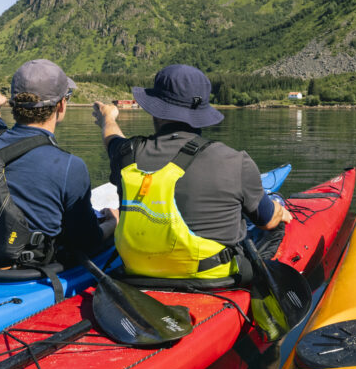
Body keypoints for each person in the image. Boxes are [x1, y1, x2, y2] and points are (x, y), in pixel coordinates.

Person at [93, 64, 290, 280]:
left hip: (137, 272)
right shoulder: (235, 161)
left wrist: (107, 118)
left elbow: (112, 139)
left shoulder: (126, 155)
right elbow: (268, 221)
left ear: (156, 110)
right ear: (201, 114)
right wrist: (279, 209)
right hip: (213, 278)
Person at [0, 59, 112, 267]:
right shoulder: (70, 166)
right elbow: (87, 241)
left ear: (14, 104)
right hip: (29, 270)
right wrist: (113, 222)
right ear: (61, 104)